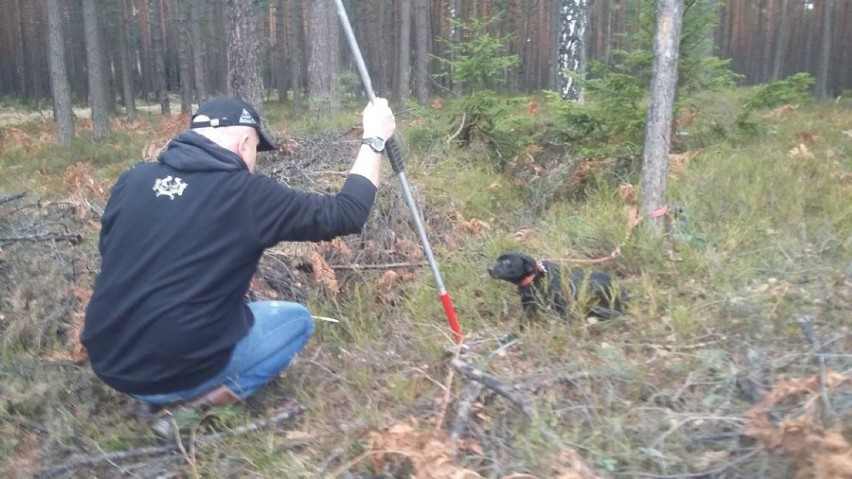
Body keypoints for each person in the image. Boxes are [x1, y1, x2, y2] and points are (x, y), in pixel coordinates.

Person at [82, 96, 396, 409]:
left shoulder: (132, 180)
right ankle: (193, 410)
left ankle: (155, 390)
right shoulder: (248, 195)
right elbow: (347, 213)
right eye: (256, 150)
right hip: (177, 372)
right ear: (244, 142)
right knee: (296, 321)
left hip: (110, 364)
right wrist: (374, 140)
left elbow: (112, 255)